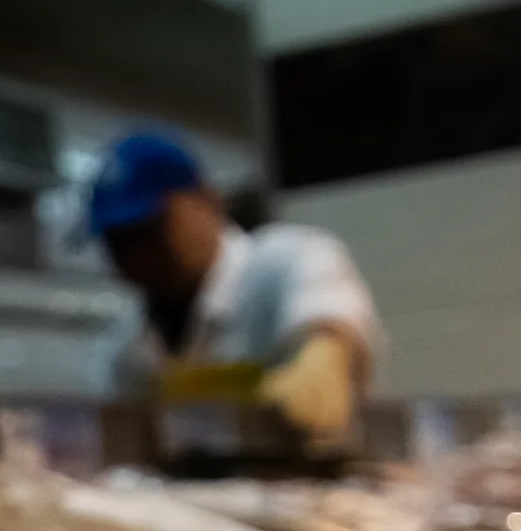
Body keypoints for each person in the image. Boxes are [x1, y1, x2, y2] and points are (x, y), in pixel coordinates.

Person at [90, 131, 381, 446]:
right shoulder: (127, 345)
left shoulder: (282, 262)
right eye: (118, 242)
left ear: (207, 200)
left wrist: (326, 352)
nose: (138, 256)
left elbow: (330, 305)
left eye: (149, 231)